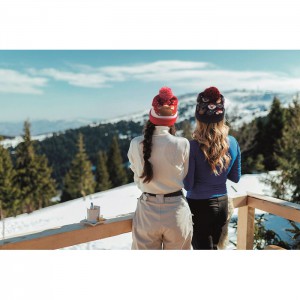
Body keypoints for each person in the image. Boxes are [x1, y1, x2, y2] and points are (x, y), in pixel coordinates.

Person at [128, 87, 193, 250]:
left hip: (147, 211)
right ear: (173, 118)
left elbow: (137, 176)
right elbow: (184, 175)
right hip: (176, 211)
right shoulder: (183, 143)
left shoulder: (136, 144)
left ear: (152, 116)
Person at [183, 86, 241, 250]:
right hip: (222, 204)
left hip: (198, 207)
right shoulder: (232, 143)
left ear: (198, 118)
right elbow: (235, 177)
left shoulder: (192, 147)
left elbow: (188, 184)